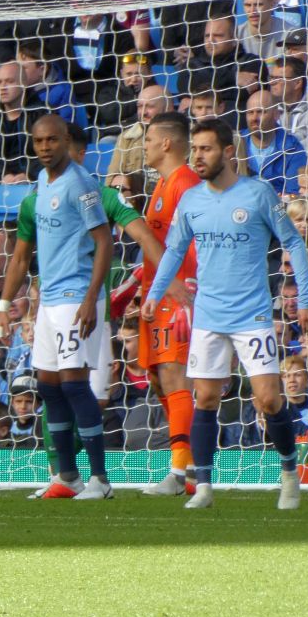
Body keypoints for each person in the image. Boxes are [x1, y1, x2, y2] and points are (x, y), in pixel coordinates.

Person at [144, 118, 308, 510]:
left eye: (205, 150)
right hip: (208, 314)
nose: (198, 157)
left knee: (269, 400)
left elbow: (294, 242)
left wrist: (305, 299)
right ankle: (203, 486)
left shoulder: (257, 194)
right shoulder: (192, 200)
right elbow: (173, 251)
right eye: (195, 150)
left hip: (252, 314)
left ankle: (290, 475)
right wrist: (155, 294)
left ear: (226, 152)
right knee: (204, 397)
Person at [0, 115, 114, 500]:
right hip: (48, 300)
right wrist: (4, 302)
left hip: (75, 298)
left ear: (66, 141)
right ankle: (67, 476)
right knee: (47, 385)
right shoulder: (41, 184)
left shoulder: (82, 185)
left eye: (51, 140)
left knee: (74, 384)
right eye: (38, 141)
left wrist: (91, 298)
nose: (44, 147)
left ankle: (100, 479)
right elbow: (20, 255)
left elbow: (104, 242)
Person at [136, 113, 201, 495]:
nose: (142, 145)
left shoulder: (186, 183)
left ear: (166, 143)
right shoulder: (163, 183)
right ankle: (187, 467)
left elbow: (194, 241)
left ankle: (180, 473)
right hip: (157, 294)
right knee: (160, 377)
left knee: (176, 375)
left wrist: (183, 287)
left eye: (147, 139)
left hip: (178, 295)